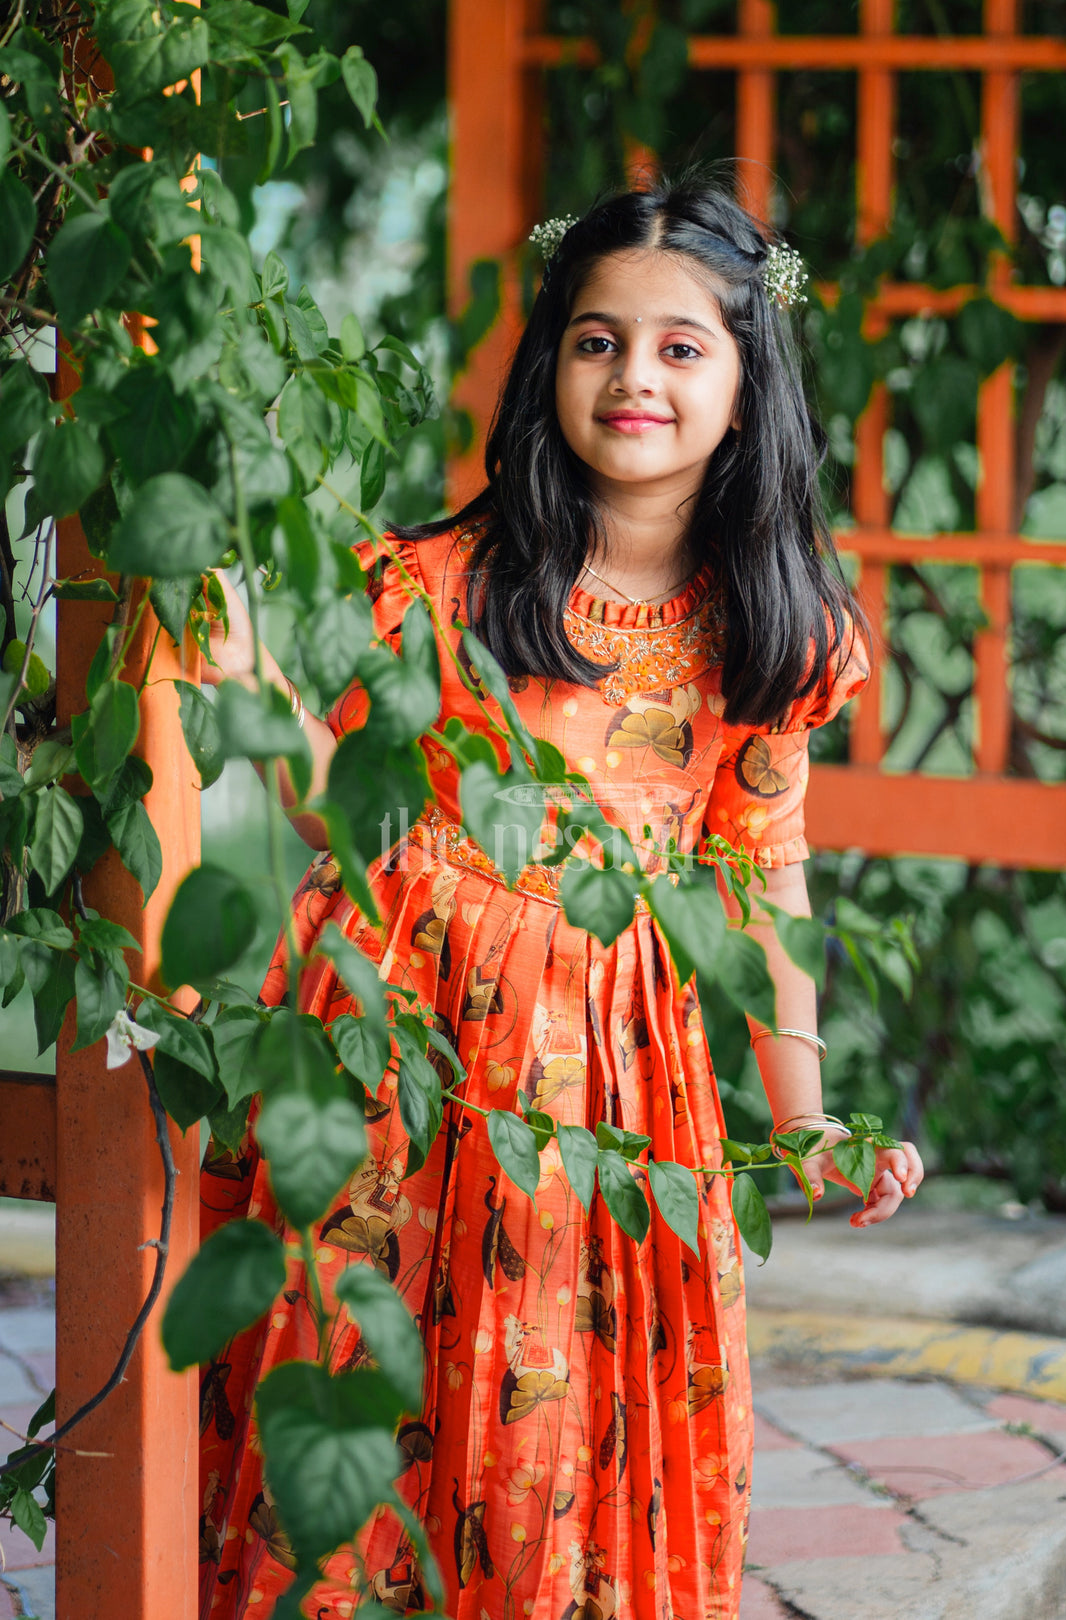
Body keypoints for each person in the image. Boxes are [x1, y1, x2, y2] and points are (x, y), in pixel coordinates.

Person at [197, 173, 924, 1620]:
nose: (633, 376)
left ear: (743, 382)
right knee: (362, 1393)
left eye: (678, 345)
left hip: (614, 1092)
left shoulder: (772, 633)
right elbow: (300, 792)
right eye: (597, 340)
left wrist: (805, 1117)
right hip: (408, 1058)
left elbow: (763, 878)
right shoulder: (434, 588)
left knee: (564, 1427)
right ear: (549, 364)